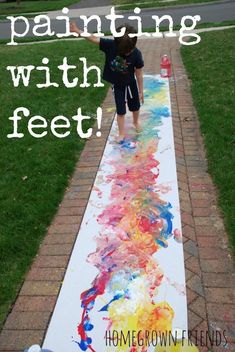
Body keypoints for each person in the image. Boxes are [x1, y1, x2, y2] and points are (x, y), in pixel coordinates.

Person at [70, 22, 144, 142]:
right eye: (125, 52)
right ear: (117, 43)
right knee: (120, 111)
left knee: (135, 106)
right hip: (118, 85)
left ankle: (136, 122)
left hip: (131, 84)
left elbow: (139, 73)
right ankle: (121, 133)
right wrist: (78, 31)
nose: (128, 53)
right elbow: (93, 38)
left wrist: (141, 91)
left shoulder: (136, 54)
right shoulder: (111, 45)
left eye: (129, 51)